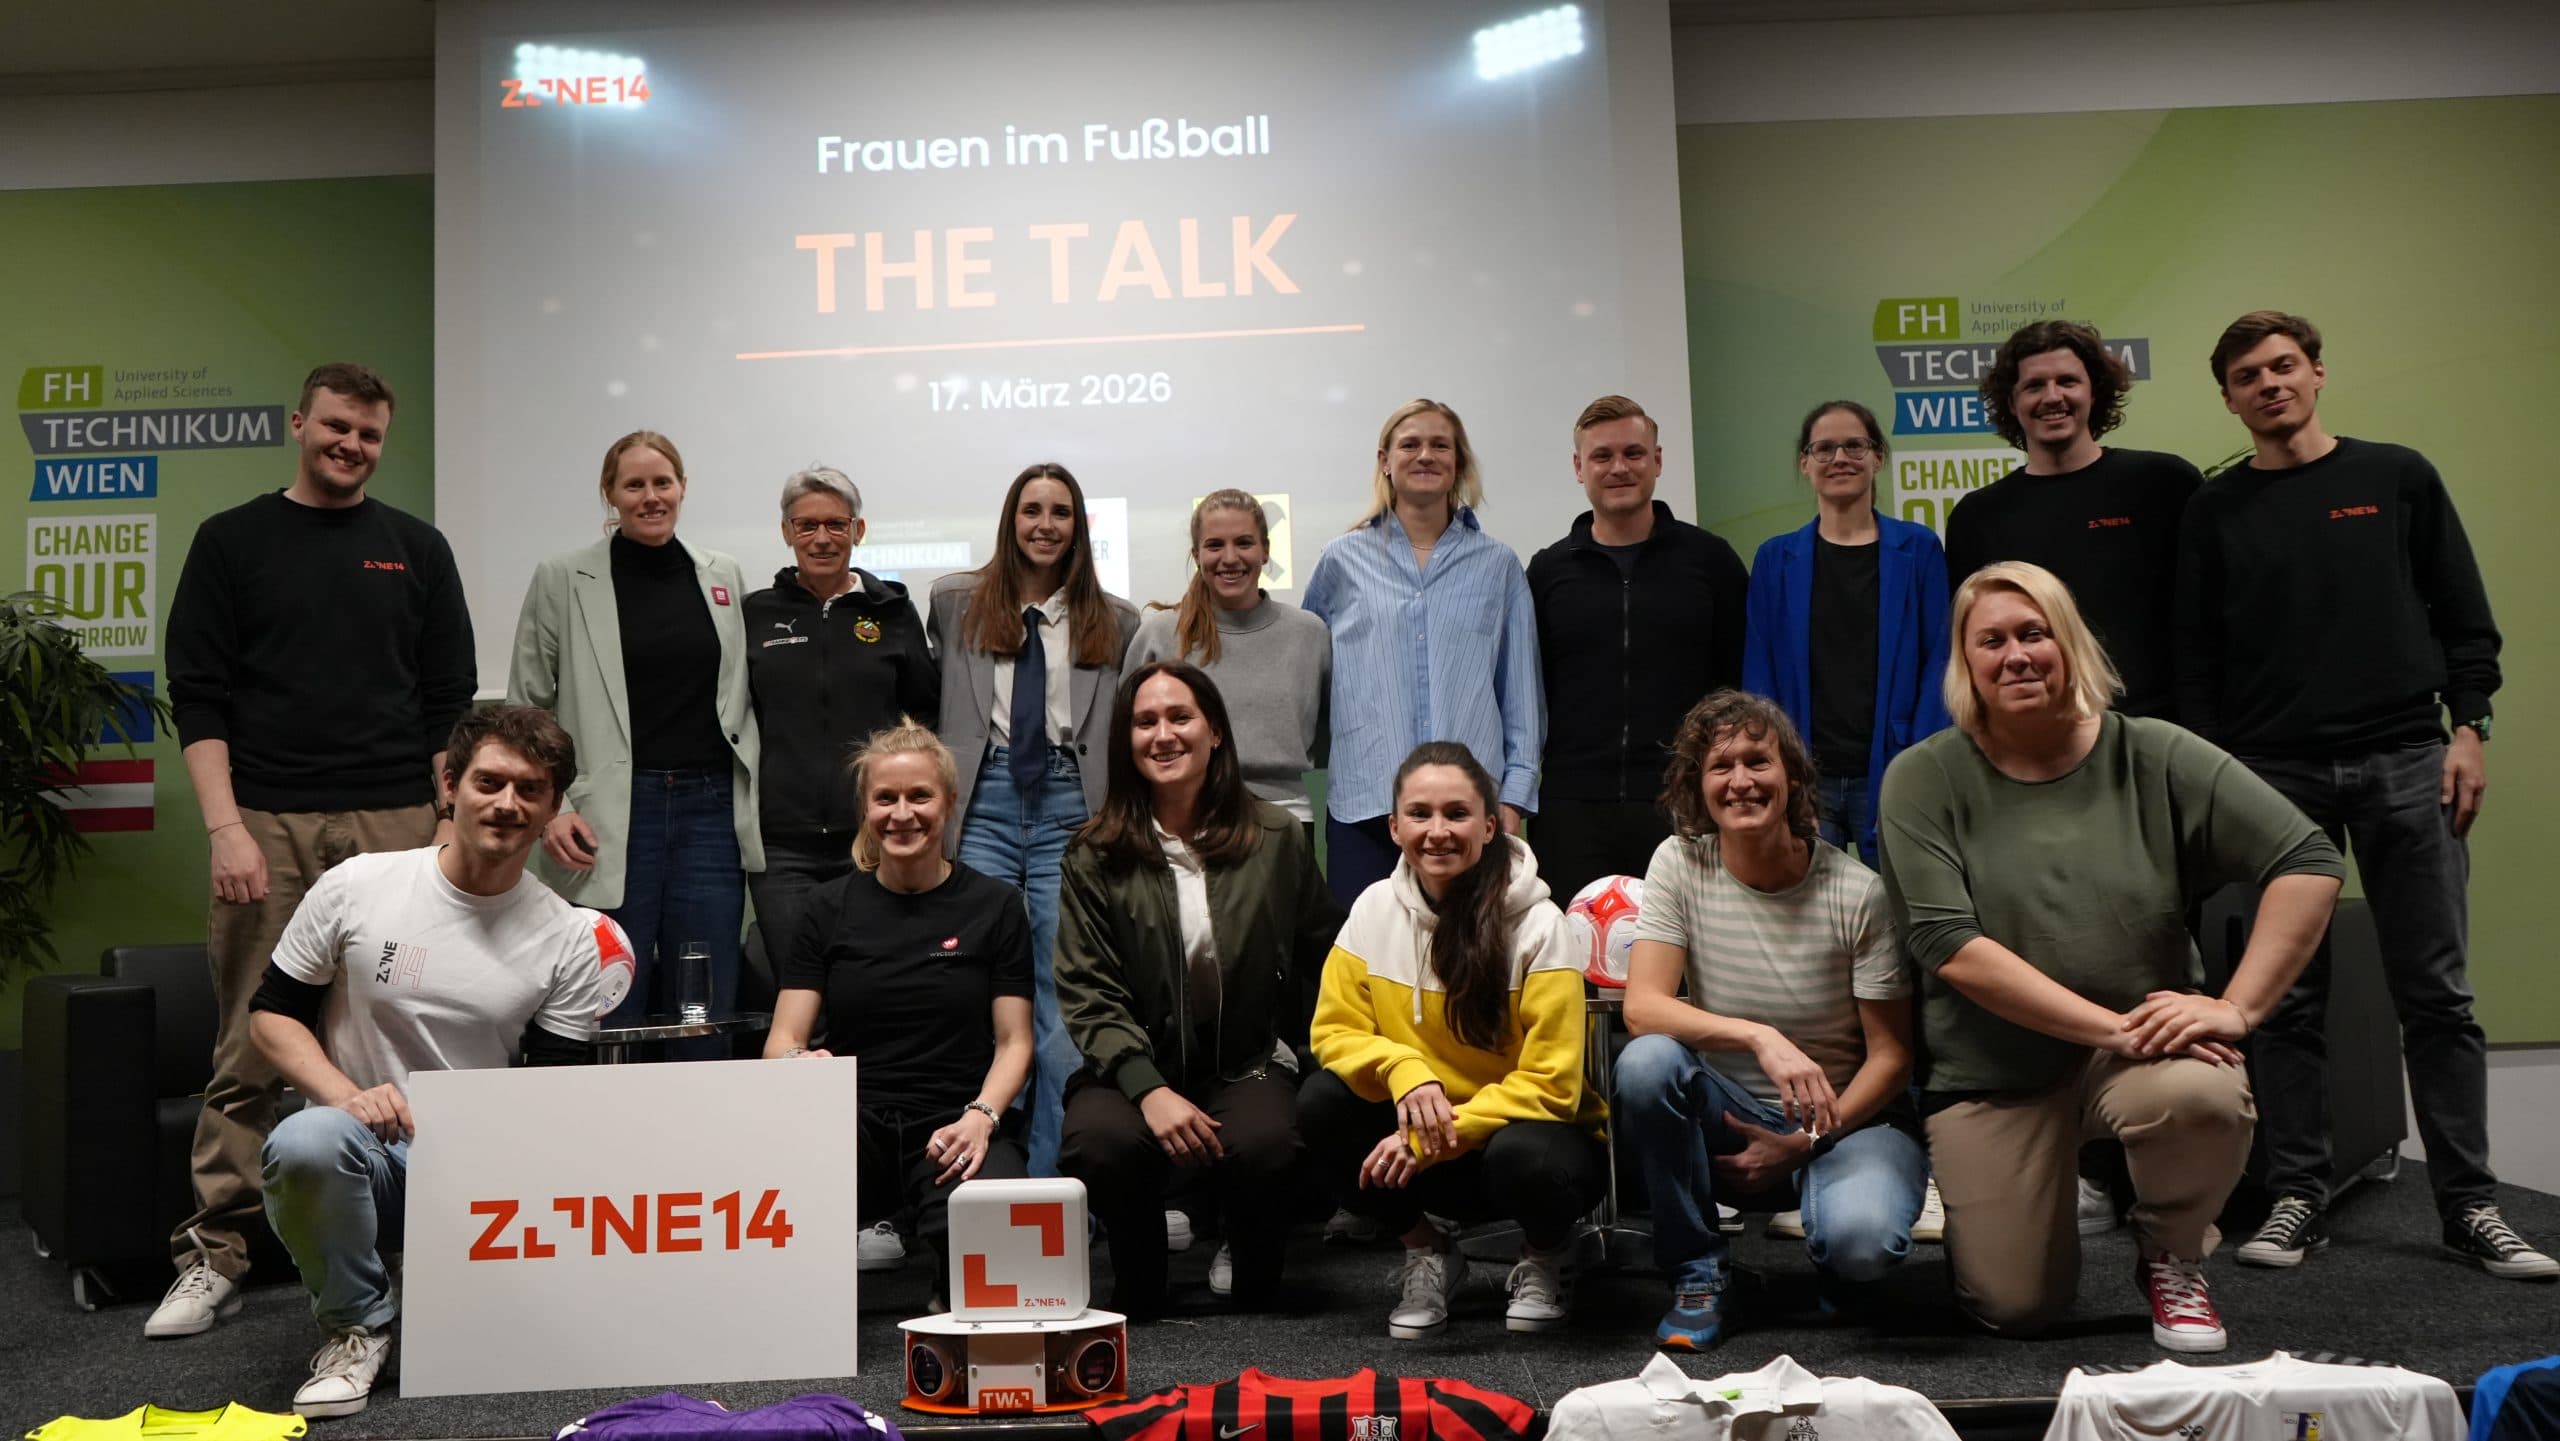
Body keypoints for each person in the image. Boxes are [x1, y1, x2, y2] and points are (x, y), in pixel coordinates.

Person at [1879, 561, 2344, 1352]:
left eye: (2035, 633)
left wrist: (2237, 1007)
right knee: (2014, 1307)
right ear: (1966, 663)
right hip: (1995, 1073)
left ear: (2070, 643)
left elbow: (2307, 855)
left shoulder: (2155, 754)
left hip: (2144, 1054)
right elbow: (1946, 944)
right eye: (1991, 640)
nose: (2016, 655)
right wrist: (2109, 1028)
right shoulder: (1923, 777)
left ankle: (2171, 1255)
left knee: (2202, 1095)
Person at [2178, 310, 2551, 1279]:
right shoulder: (2213, 513)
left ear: (2316, 374)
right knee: (2283, 1003)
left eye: (2283, 366)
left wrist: (2468, 727)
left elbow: (2464, 617)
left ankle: (2470, 1206)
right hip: (2271, 779)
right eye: (2247, 375)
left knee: (2437, 994)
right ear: (2226, 396)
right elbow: (2196, 661)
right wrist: (2221, 781)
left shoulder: (2396, 477)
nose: (2268, 384)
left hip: (2404, 757)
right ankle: (2299, 1194)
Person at [151, 362, 476, 1340]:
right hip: (272, 825)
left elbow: (447, 703)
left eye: (369, 435)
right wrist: (226, 829)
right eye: (335, 428)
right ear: (300, 424)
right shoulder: (231, 542)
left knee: (405, 1029)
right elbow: (197, 694)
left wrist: (445, 831)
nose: (351, 446)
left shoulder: (415, 547)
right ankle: (217, 1252)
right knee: (254, 1039)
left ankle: (426, 1242)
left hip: (394, 826)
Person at [250, 706, 620, 1416]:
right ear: (450, 784)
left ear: (550, 808)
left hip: (484, 1173)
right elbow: (271, 1014)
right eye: (489, 781)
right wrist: (346, 1094)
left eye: (530, 789)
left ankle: (451, 1281)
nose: (506, 803)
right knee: (306, 1138)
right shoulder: (360, 884)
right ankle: (358, 1326)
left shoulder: (569, 937)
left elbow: (548, 1094)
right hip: (367, 1151)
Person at [1614, 691, 1924, 1351]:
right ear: (1698, 786)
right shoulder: (1680, 862)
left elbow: (1893, 1056)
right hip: (1731, 1109)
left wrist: (1806, 1139)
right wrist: (1761, 1035)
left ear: (1793, 778)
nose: (1741, 780)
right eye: (1720, 766)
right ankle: (1701, 1272)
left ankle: (1836, 1254)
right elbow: (1643, 1007)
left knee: (1863, 1249)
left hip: (1848, 1117)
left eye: (1758, 760)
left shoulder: (1856, 890)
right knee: (1646, 1064)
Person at [1054, 663, 1340, 1317]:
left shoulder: (1274, 837)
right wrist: (1148, 1088)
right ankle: (1140, 1283)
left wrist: (1314, 1052)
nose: (1163, 734)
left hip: (1246, 1062)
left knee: (1268, 1142)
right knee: (1100, 1138)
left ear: (1214, 731)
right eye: (1145, 721)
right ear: (1126, 740)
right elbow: (1086, 986)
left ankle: (1254, 1281)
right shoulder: (1094, 852)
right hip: (1131, 1067)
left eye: (1180, 717)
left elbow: (1325, 952)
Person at [1302, 742, 1605, 1339]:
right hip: (1422, 1148)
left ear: (1490, 826)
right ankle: (1430, 1249)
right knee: (1321, 1102)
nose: (1437, 831)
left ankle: (1547, 1252)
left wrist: (1439, 1136)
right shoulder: (1371, 911)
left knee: (1529, 1159)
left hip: (1520, 1150)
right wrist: (1404, 1069)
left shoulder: (1541, 927)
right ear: (1394, 827)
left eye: (1457, 813)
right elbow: (1332, 1033)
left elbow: (1554, 1085)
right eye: (1419, 813)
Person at [508, 431, 761, 1051]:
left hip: (710, 811)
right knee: (606, 992)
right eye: (635, 485)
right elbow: (524, 708)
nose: (651, 497)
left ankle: (699, 1138)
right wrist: (553, 811)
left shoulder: (722, 575)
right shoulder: (563, 577)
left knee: (703, 999)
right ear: (610, 494)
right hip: (606, 816)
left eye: (663, 483)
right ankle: (610, 1141)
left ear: (681, 487)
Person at [927, 462, 1142, 1175]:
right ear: (1010, 520)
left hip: (1068, 806)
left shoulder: (1116, 619)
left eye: (1060, 512)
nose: (1045, 525)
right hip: (981, 797)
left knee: (1059, 994)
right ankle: (967, 1172)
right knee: (970, 976)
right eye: (1032, 510)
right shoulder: (954, 601)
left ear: (1079, 525)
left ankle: (1053, 1183)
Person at [765, 719, 1032, 1284]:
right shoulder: (825, 907)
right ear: (865, 809)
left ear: (950, 803)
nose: (902, 814)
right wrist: (798, 1065)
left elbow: (1015, 1042)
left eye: (920, 796)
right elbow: (781, 1043)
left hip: (954, 1123)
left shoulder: (997, 905)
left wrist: (982, 1118)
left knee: (995, 1241)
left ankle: (944, 1273)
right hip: (854, 1125)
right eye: (885, 799)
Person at [1304, 399, 1544, 907]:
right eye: (1410, 444)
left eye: (1441, 445)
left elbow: (1521, 694)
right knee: (1367, 970)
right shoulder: (1339, 562)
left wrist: (1514, 799)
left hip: (1469, 814)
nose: (1425, 455)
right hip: (1365, 808)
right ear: (1385, 461)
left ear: (1458, 462)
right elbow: (1309, 684)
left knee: (1474, 966)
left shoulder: (1497, 566)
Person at [1528, 395, 1749, 900]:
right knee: (1574, 965)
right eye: (1602, 456)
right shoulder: (1547, 571)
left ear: (1658, 461)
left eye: (1634, 453)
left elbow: (1740, 683)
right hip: (1572, 808)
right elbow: (1529, 688)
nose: (1619, 467)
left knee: (1689, 967)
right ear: (1579, 468)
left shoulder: (1711, 562)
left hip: (1687, 801)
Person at [744, 466, 938, 994]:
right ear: (786, 532)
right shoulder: (755, 613)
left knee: (876, 988)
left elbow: (925, 718)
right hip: (781, 847)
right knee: (800, 987)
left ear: (859, 530)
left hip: (875, 837)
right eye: (806, 526)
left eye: (836, 523)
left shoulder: (894, 611)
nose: (822, 538)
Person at [1947, 320, 2200, 719]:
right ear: (2011, 403)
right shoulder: (1977, 517)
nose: (2052, 397)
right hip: (2036, 736)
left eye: (2068, 381)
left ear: (2093, 390)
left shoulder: (2165, 485)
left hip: (2159, 729)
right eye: (2033, 386)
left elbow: (2203, 622)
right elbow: (1973, 648)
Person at [1743, 400, 1951, 868]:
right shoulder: (1775, 560)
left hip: (1896, 770)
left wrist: (1915, 771)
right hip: (1804, 779)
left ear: (1878, 457)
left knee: (1905, 922)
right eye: (1824, 448)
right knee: (1808, 928)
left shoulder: (1918, 550)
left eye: (1855, 445)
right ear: (1805, 463)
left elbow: (1940, 663)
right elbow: (1760, 679)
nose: (1840, 458)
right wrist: (1782, 776)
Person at [1125, 490, 1331, 830]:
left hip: (1285, 821)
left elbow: (1331, 735)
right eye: (1215, 545)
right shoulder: (1159, 635)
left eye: (1244, 543)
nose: (1230, 557)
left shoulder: (1309, 634)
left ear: (1265, 551)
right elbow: (1126, 736)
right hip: (1185, 818)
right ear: (1197, 554)